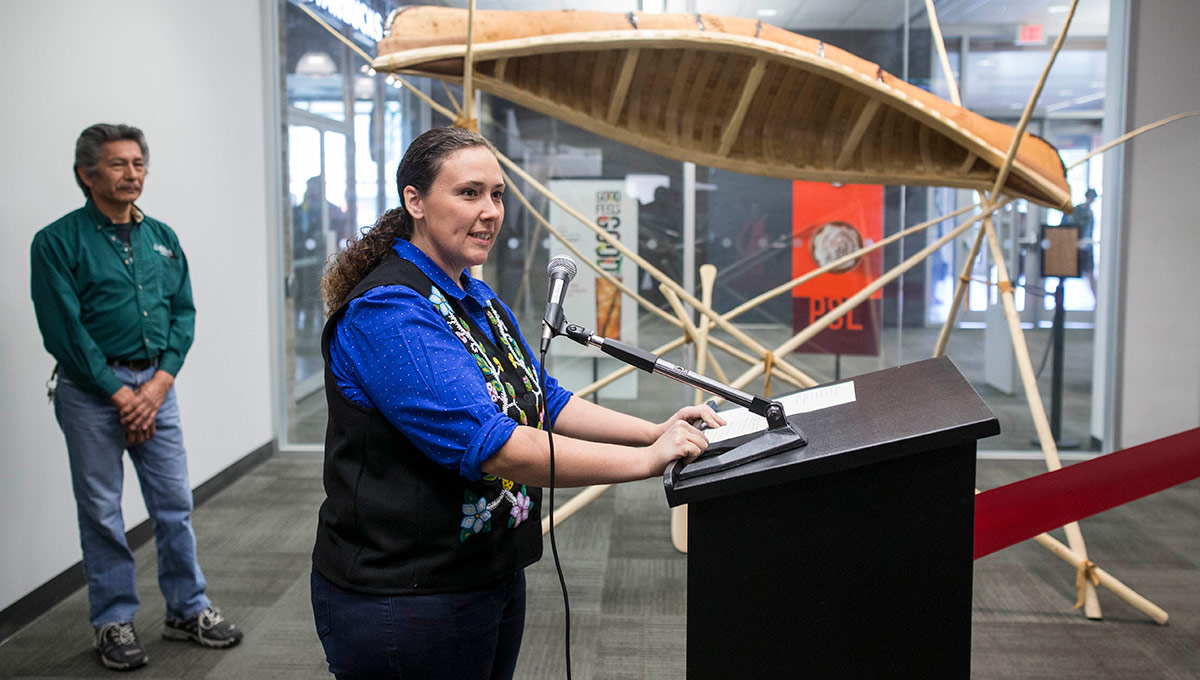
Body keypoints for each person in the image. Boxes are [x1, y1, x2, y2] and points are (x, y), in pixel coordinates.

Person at [311, 126, 722, 680]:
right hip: (406, 595)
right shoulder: (389, 313)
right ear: (415, 201)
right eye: (468, 193)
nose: (490, 211)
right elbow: (495, 445)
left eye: (497, 194)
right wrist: (644, 464)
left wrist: (650, 432)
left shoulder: (473, 295)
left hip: (488, 572)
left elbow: (543, 400)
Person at [30, 124, 242, 672]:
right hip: (89, 394)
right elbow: (65, 331)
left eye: (138, 164)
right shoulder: (56, 242)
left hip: (155, 388)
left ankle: (186, 609)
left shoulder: (162, 238)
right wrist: (121, 395)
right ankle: (113, 619)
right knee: (102, 512)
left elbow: (183, 314)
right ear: (87, 174)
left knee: (174, 504)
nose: (132, 174)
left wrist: (158, 384)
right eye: (119, 164)